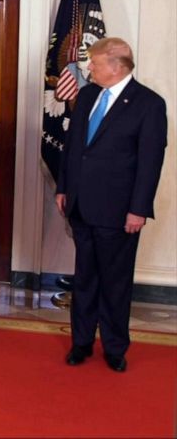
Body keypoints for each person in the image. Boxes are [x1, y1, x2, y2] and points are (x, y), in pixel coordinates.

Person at [55, 37, 167, 372]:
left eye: (95, 63)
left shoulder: (148, 104)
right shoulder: (87, 95)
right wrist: (64, 188)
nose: (89, 68)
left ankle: (115, 347)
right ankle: (82, 342)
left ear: (117, 66)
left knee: (115, 281)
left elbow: (150, 163)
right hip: (80, 204)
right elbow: (73, 146)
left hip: (119, 211)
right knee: (84, 278)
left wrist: (138, 209)